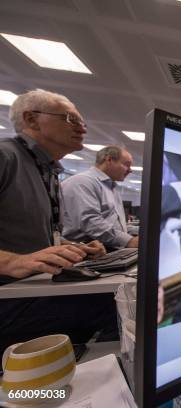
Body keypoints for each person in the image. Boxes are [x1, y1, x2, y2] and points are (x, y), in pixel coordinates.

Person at [0, 89, 115, 352]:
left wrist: (74, 247)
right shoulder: (5, 157)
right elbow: (20, 257)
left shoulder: (47, 170)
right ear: (31, 119)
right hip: (10, 299)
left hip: (31, 290)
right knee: (122, 302)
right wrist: (13, 262)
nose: (82, 129)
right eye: (70, 119)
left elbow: (37, 238)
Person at [62, 145, 138, 250]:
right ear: (109, 160)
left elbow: (116, 226)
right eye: (127, 165)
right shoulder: (82, 182)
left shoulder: (112, 188)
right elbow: (91, 223)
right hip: (86, 253)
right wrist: (128, 241)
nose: (130, 170)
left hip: (109, 249)